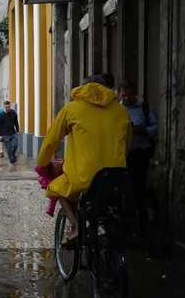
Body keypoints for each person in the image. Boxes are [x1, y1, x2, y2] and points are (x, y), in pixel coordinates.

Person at [36, 74, 131, 243]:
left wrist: (42, 164)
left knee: (57, 188)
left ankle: (76, 226)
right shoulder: (121, 110)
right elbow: (128, 142)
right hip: (116, 176)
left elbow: (51, 142)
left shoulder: (72, 109)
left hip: (83, 178)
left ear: (83, 88)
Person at [118, 80, 158, 233]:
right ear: (119, 94)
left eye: (130, 95)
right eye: (124, 95)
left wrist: (144, 131)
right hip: (121, 154)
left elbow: (155, 127)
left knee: (138, 187)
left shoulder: (145, 109)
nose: (127, 98)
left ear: (135, 94)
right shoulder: (117, 109)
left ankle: (141, 220)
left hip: (140, 153)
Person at [0, 101, 20, 165]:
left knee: (15, 145)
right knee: (9, 148)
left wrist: (17, 130)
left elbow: (16, 122)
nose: (7, 108)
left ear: (10, 106)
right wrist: (0, 135)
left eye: (8, 107)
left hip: (13, 132)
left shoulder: (13, 112)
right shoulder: (1, 115)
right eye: (6, 107)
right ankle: (11, 160)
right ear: (4, 107)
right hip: (5, 134)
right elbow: (0, 125)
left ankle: (13, 155)